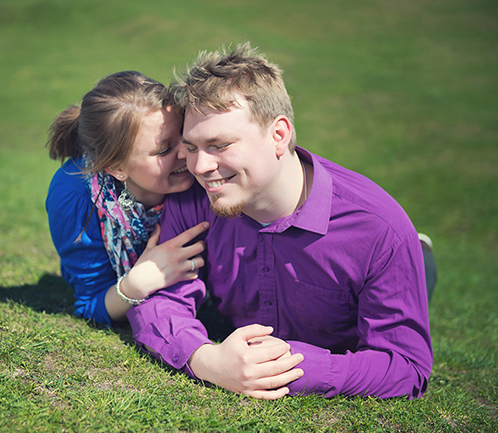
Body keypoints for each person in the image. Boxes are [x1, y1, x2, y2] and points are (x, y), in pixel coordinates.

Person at [126, 43, 434, 400]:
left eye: (220, 144)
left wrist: (284, 368)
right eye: (192, 147)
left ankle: (422, 255)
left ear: (279, 135)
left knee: (420, 270)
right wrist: (206, 359)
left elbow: (405, 366)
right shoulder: (196, 197)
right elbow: (159, 300)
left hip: (402, 258)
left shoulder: (380, 231)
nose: (200, 167)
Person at [46, 71, 209, 325]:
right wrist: (136, 283)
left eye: (185, 136)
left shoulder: (204, 165)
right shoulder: (73, 196)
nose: (186, 153)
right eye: (164, 149)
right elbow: (91, 303)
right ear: (116, 168)